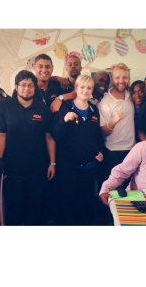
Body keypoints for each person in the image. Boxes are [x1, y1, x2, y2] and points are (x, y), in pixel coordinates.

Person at [0, 70, 56, 226]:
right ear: (16, 86)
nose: (27, 89)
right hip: (12, 168)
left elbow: (49, 137)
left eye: (30, 85)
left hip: (38, 168)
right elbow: (1, 135)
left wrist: (52, 163)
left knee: (35, 209)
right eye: (23, 85)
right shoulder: (4, 107)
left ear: (35, 88)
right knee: (14, 210)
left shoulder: (42, 109)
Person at [51, 75, 104, 225]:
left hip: (88, 166)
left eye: (89, 88)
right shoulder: (66, 107)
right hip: (68, 166)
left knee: (85, 204)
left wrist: (100, 152)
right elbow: (55, 135)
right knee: (67, 204)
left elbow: (97, 137)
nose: (85, 90)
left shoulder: (94, 111)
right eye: (82, 87)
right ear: (76, 89)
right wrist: (64, 120)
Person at [97, 63, 135, 195]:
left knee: (131, 190)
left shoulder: (132, 95)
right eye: (117, 77)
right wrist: (113, 121)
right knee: (113, 192)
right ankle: (112, 216)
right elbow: (103, 132)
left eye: (124, 77)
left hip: (132, 151)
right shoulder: (105, 102)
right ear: (112, 79)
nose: (121, 81)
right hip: (113, 152)